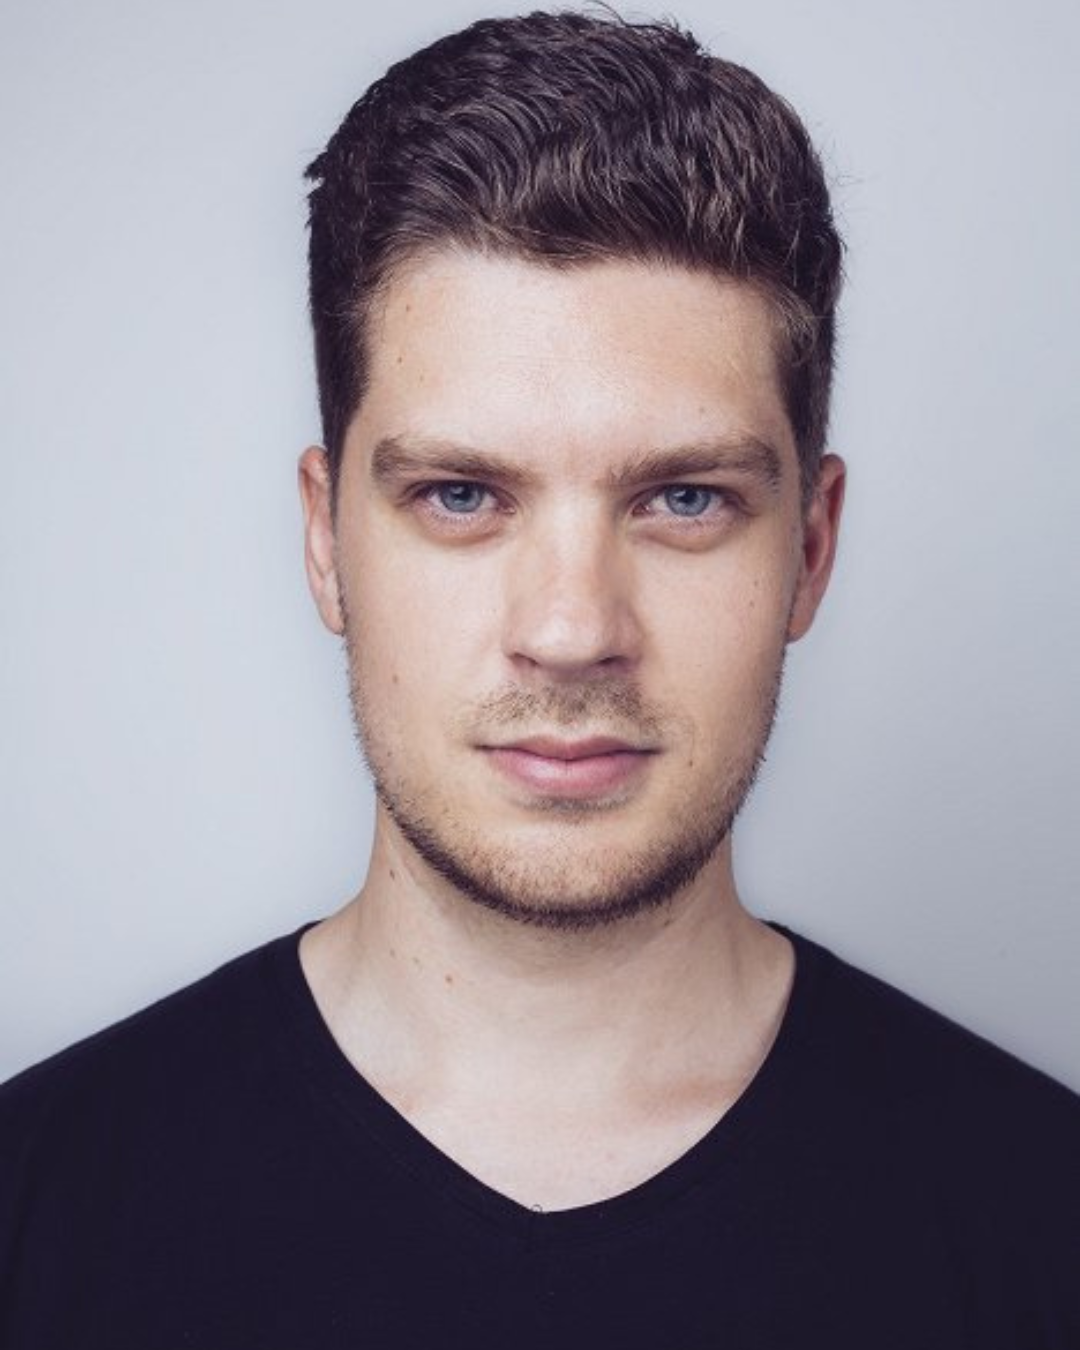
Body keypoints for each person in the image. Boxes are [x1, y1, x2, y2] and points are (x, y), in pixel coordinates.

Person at [0, 10, 1076, 1347]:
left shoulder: (1047, 1223)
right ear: (326, 542)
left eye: (685, 498)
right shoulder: (32, 1218)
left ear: (810, 549)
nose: (571, 630)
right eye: (462, 494)